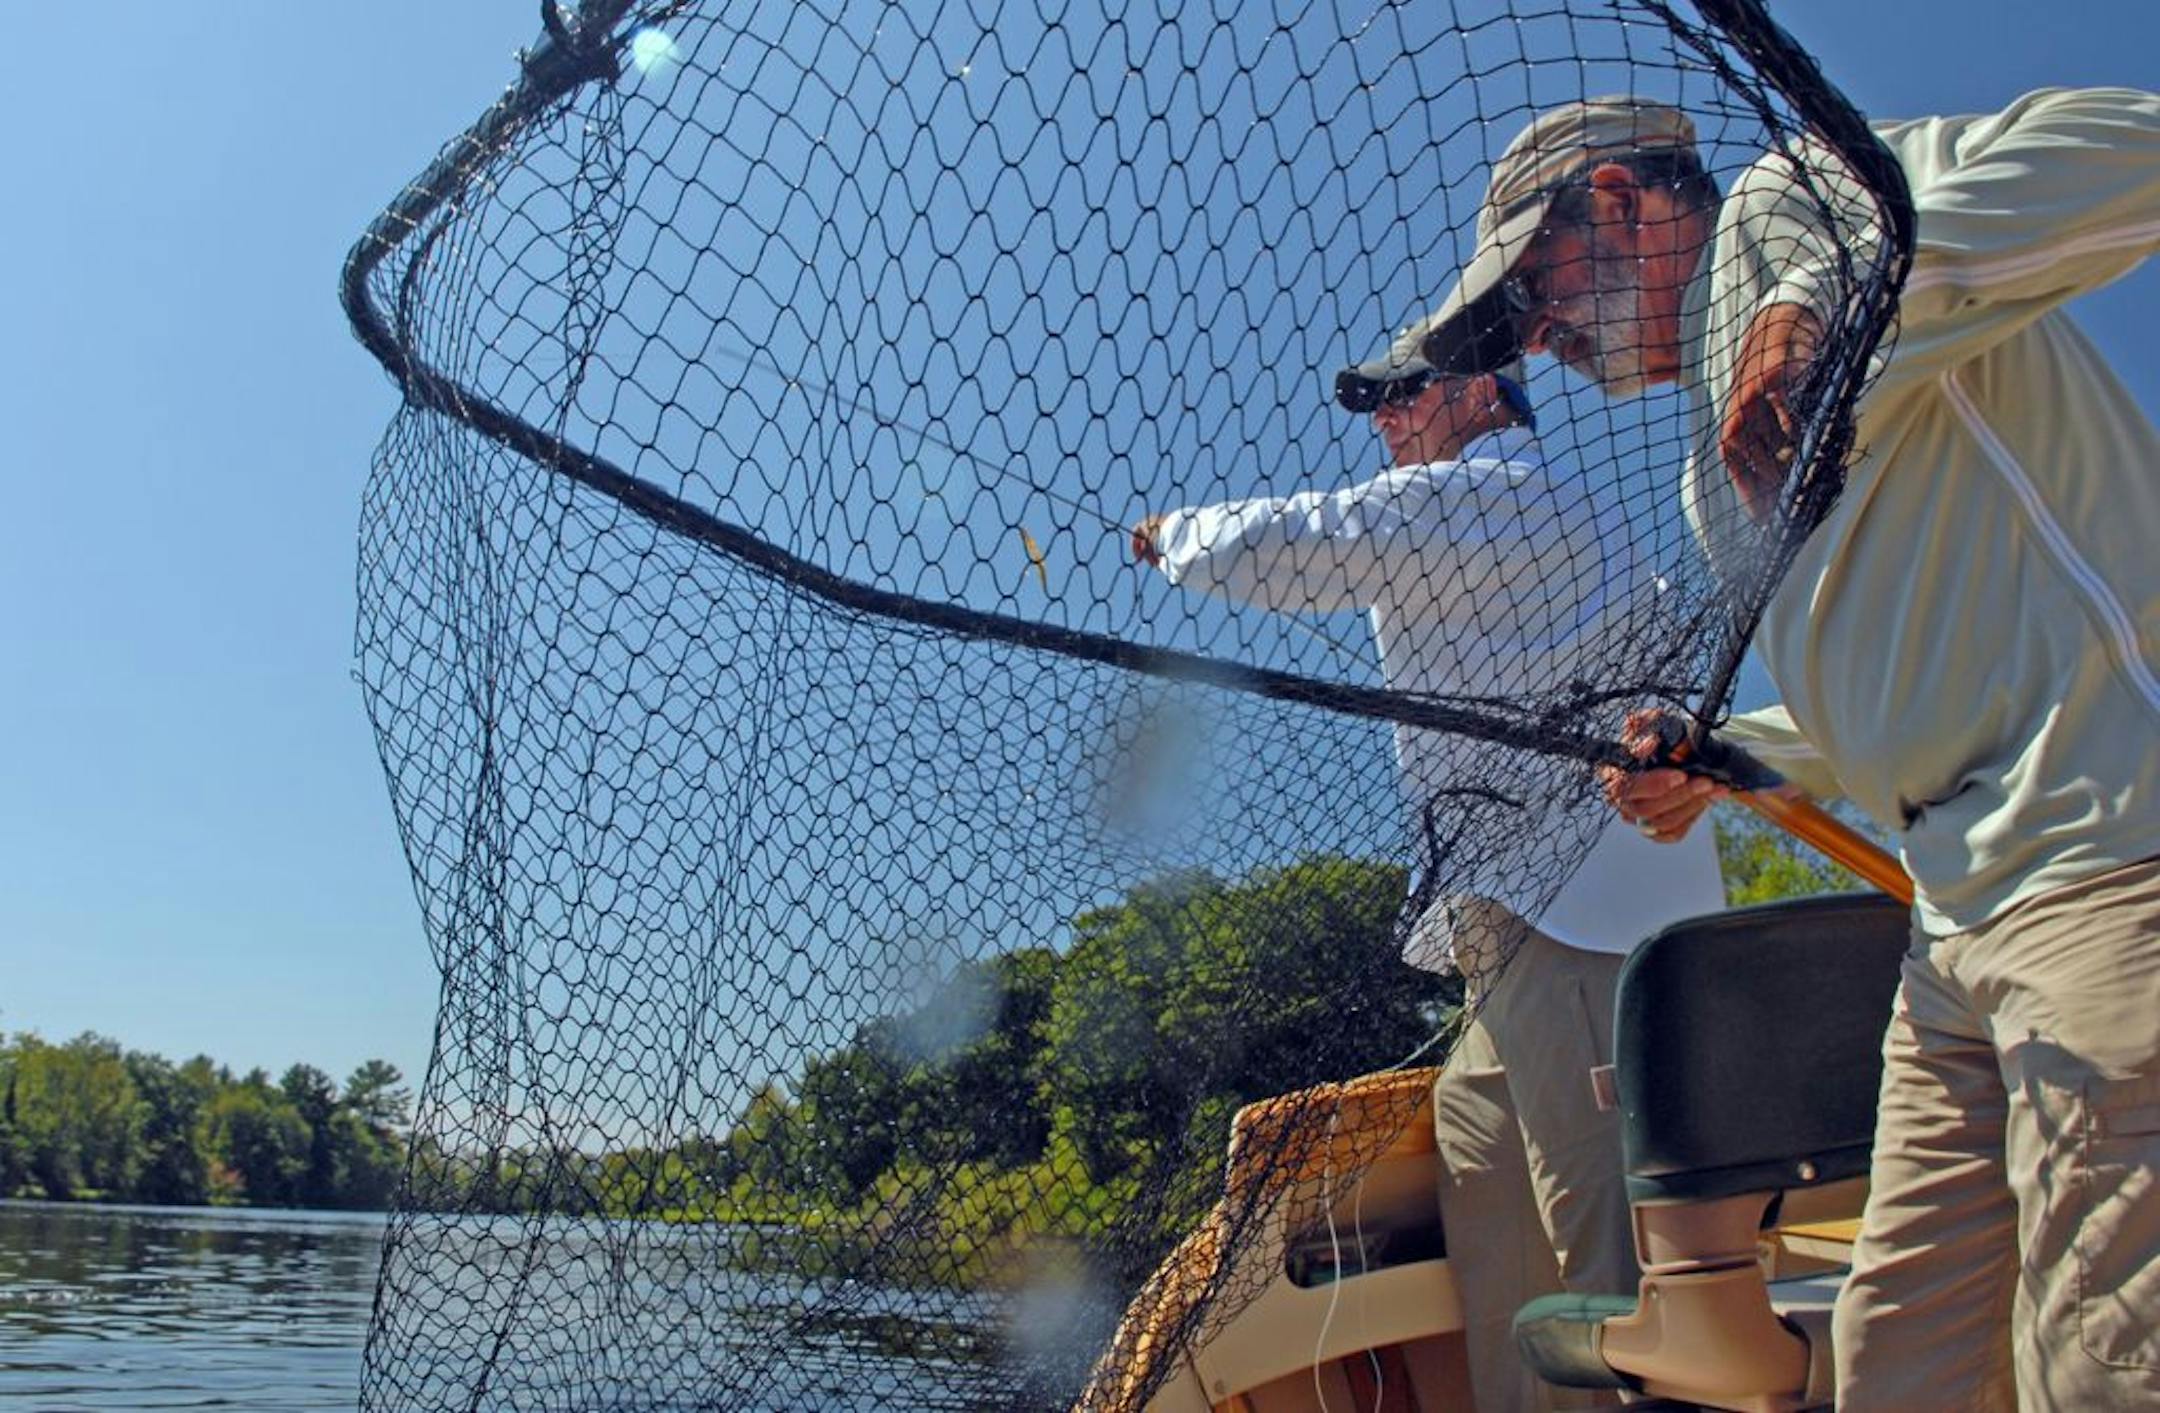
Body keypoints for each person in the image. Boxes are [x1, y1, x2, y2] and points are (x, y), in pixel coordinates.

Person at [1410, 89, 2160, 1408]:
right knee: (1897, 1368)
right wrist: (1728, 753)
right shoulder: (1717, 456)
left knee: (2108, 1360)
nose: (1544, 340)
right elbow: (1879, 702)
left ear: (1622, 204)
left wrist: (1825, 299)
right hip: (1955, 934)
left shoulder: (1802, 205)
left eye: (1538, 288)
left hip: (2107, 869)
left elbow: (2133, 151)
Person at [1132, 361, 1726, 1413]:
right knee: (1481, 1160)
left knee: (1600, 1228)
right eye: (1376, 406)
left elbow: (1318, 541)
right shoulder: (1498, 513)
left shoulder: (1501, 493)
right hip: (1509, 929)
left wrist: (1175, 534)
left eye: (1407, 393)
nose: (1387, 421)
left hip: (1588, 924)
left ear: (1488, 395)